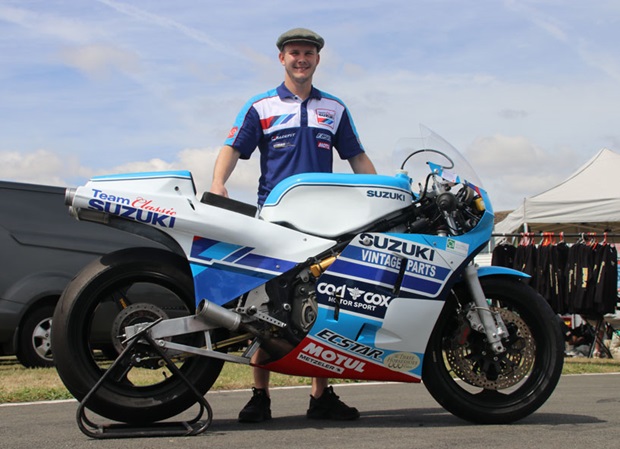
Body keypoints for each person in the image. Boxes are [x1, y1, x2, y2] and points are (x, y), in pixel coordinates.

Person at [210, 27, 377, 423]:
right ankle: (259, 397)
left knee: (319, 306)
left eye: (308, 53)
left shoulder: (334, 108)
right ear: (281, 58)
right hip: (274, 219)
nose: (300, 59)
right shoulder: (261, 106)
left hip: (324, 223)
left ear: (318, 59)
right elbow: (233, 148)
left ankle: (321, 397)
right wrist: (218, 183)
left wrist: (381, 192)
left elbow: (357, 157)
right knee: (264, 308)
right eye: (293, 53)